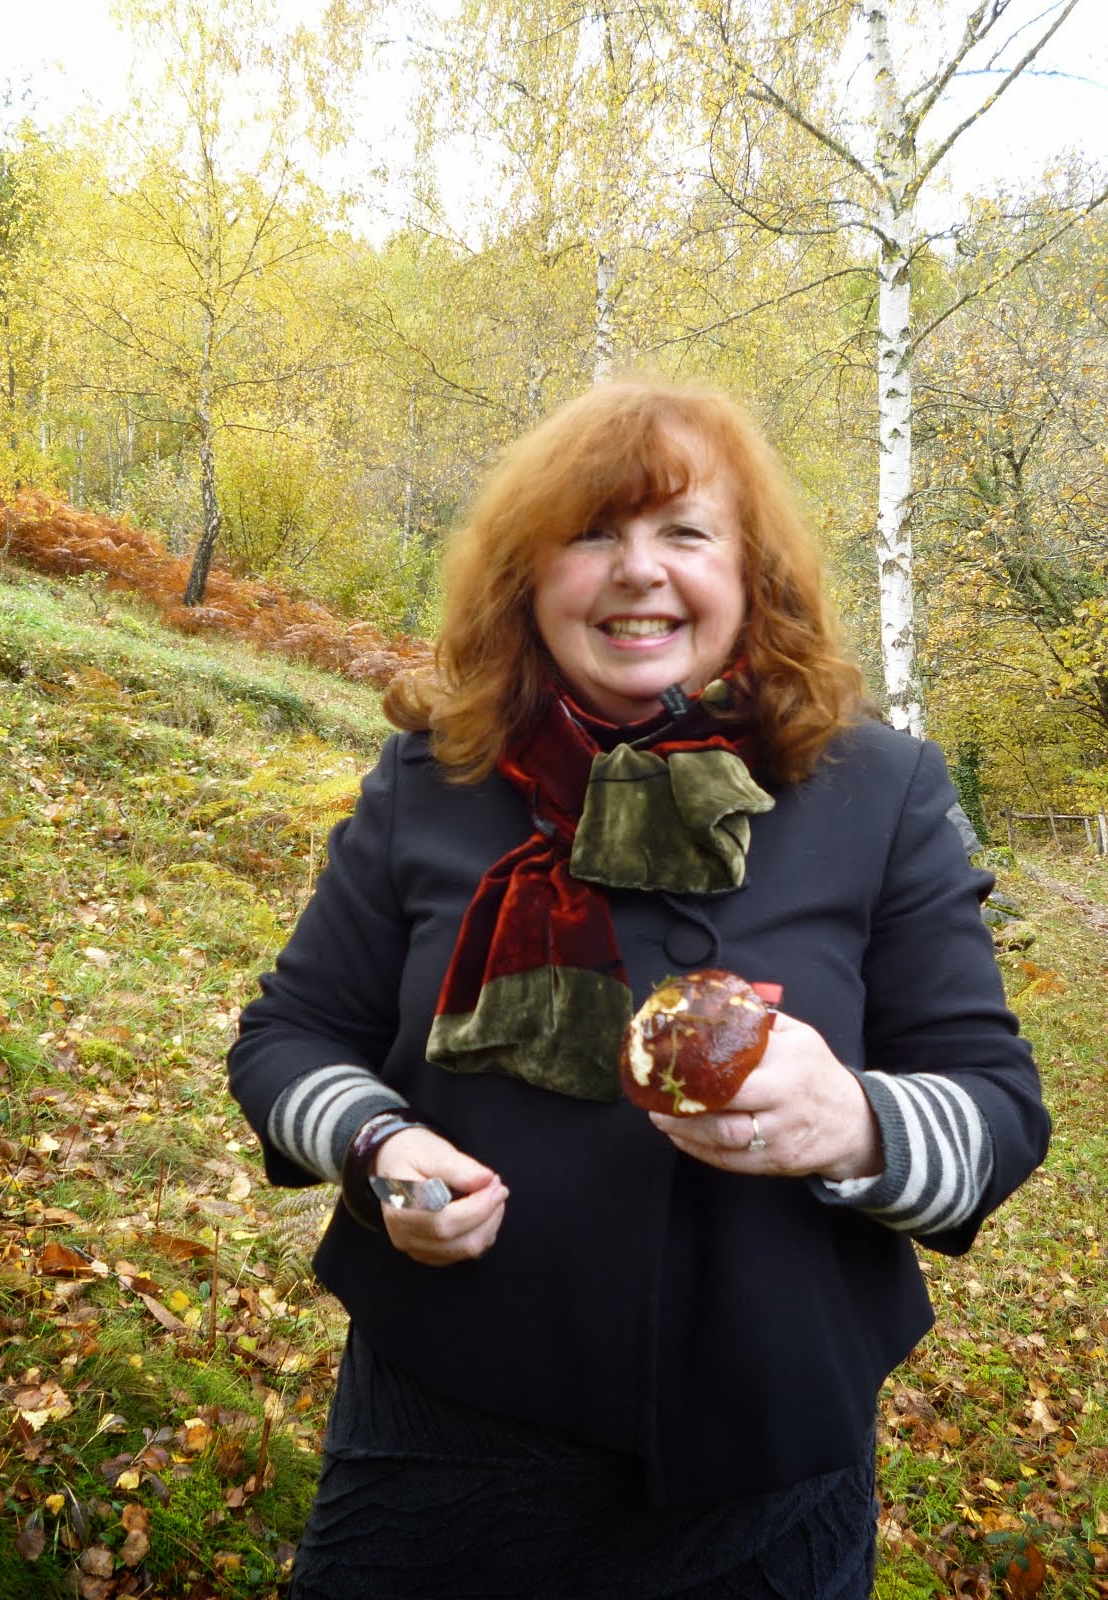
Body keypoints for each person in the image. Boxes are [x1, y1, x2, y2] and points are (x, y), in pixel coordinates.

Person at [228, 379, 1050, 1600]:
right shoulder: (434, 781)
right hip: (442, 1429)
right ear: (529, 572)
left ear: (750, 572)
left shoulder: (878, 792)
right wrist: (376, 1143)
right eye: (592, 533)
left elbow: (1000, 1111)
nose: (636, 572)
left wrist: (856, 1122)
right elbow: (288, 1036)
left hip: (767, 1462)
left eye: (684, 533)